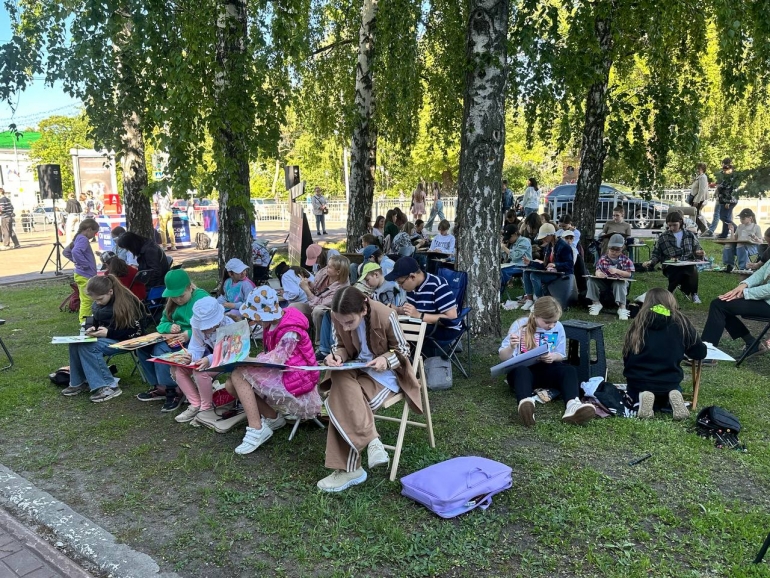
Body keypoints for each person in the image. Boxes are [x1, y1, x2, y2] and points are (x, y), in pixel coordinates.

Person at [317, 286, 423, 492]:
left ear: (364, 310)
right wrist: (336, 356)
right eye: (341, 322)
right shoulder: (338, 316)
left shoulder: (386, 314)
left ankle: (350, 470)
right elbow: (339, 345)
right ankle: (373, 441)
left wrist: (386, 360)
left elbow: (403, 350)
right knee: (339, 380)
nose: (345, 327)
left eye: (349, 322)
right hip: (355, 371)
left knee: (341, 399)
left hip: (385, 375)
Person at [227, 287, 321, 454]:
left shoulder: (290, 330)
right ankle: (273, 417)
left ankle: (256, 429)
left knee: (238, 374)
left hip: (299, 377)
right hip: (285, 372)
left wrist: (249, 360)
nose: (255, 321)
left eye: (256, 317)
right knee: (230, 384)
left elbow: (277, 359)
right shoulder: (273, 323)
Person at [499, 297, 595, 427]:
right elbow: (503, 357)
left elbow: (561, 355)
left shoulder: (558, 327)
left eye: (554, 322)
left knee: (569, 370)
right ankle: (526, 405)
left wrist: (553, 357)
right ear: (535, 315)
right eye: (547, 322)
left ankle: (572, 405)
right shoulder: (520, 325)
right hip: (523, 373)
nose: (551, 326)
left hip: (546, 368)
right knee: (521, 370)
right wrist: (511, 347)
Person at [60, 274, 145, 402]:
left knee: (89, 347)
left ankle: (108, 386)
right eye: (95, 300)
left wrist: (108, 333)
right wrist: (91, 327)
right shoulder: (101, 302)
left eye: (100, 299)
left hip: (127, 340)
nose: (98, 302)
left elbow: (135, 331)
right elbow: (96, 319)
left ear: (110, 291)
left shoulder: (127, 303)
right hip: (109, 337)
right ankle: (79, 382)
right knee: (75, 344)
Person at [623, 288, 706, 419]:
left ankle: (643, 398)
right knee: (672, 390)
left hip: (639, 380)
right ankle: (671, 397)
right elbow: (699, 352)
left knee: (634, 393)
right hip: (668, 381)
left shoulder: (638, 322)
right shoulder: (681, 322)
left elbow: (626, 355)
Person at [136, 269, 210, 410]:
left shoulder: (201, 298)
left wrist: (189, 333)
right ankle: (159, 386)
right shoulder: (172, 302)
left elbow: (211, 324)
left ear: (189, 287)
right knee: (143, 349)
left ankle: (173, 389)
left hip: (197, 340)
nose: (178, 300)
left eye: (181, 296)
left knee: (159, 350)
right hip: (176, 339)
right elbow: (162, 324)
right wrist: (169, 327)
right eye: (174, 297)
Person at [171, 297, 235, 423]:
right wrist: (190, 356)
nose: (203, 329)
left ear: (217, 321)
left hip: (231, 359)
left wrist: (208, 359)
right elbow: (196, 347)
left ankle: (206, 408)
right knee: (179, 369)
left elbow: (229, 351)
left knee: (200, 372)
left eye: (206, 326)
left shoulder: (230, 326)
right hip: (213, 358)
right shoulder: (198, 328)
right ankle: (195, 404)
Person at [701, 258, 770, 360]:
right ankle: (752, 343)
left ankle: (706, 354)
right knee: (721, 304)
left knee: (719, 306)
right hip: (766, 300)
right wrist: (743, 285)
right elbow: (761, 273)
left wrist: (744, 293)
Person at [386, 257, 459, 353]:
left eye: (400, 282)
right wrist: (397, 310)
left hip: (445, 329)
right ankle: (399, 356)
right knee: (391, 326)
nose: (400, 286)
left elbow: (452, 318)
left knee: (398, 330)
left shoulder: (438, 285)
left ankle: (402, 357)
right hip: (424, 324)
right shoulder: (412, 287)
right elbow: (415, 311)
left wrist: (420, 315)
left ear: (412, 277)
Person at [643, 211, 705, 303]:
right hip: (670, 265)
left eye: (674, 225)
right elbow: (656, 253)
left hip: (687, 263)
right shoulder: (663, 237)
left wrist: (699, 253)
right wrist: (651, 262)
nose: (672, 228)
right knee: (678, 271)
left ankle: (690, 294)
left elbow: (697, 249)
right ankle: (672, 293)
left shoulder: (689, 235)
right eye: (669, 225)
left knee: (691, 269)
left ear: (680, 222)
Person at [292, 254, 351, 344]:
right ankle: (297, 337)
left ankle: (320, 343)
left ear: (338, 272)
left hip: (331, 314)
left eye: (329, 267)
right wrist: (311, 286)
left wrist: (306, 290)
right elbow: (317, 292)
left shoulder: (341, 288)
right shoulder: (324, 273)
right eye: (327, 265)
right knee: (293, 307)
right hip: (315, 304)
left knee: (318, 311)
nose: (326, 268)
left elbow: (319, 304)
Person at [519, 223, 574, 311]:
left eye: (544, 237)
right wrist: (530, 263)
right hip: (551, 271)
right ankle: (529, 300)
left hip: (561, 274)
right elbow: (544, 265)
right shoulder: (549, 246)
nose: (543, 239)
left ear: (551, 235)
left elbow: (570, 264)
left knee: (534, 275)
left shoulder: (564, 246)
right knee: (526, 272)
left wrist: (556, 265)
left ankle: (539, 301)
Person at [587, 234, 635, 320]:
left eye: (617, 250)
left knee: (619, 283)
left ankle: (622, 308)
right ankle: (596, 303)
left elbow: (629, 274)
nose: (614, 252)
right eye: (612, 250)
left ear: (622, 249)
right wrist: (599, 274)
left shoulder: (626, 260)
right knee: (591, 281)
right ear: (608, 248)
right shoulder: (603, 259)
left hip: (619, 282)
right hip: (605, 282)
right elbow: (597, 270)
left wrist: (617, 271)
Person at [63, 218, 100, 323]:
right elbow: (75, 251)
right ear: (89, 229)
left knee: (86, 299)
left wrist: (77, 262)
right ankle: (84, 323)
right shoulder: (83, 239)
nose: (94, 235)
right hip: (85, 274)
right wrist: (84, 265)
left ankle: (88, 321)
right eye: (94, 233)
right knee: (87, 300)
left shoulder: (78, 238)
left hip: (82, 274)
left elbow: (66, 252)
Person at [708, 157, 738, 238]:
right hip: (723, 199)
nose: (724, 171)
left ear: (730, 169)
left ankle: (737, 229)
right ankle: (724, 233)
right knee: (725, 216)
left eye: (726, 170)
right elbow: (720, 185)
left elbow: (731, 190)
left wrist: (728, 201)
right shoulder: (725, 176)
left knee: (723, 216)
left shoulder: (732, 178)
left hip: (730, 200)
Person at [500, 225, 531, 296]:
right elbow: (505, 257)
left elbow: (516, 256)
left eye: (510, 237)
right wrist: (504, 247)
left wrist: (505, 248)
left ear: (515, 234)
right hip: (512, 265)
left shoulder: (524, 241)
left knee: (502, 272)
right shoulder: (512, 243)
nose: (509, 240)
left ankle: (500, 292)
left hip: (523, 266)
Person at [690, 162, 710, 234]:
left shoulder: (702, 177)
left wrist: (697, 200)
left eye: (699, 168)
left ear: (702, 169)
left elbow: (702, 190)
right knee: (696, 214)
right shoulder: (700, 177)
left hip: (699, 199)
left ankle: (704, 229)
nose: (697, 170)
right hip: (697, 198)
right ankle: (701, 228)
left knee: (697, 214)